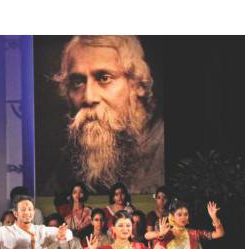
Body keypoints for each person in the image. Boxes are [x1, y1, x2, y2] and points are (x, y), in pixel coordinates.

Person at [53, 35, 164, 193]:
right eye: (78, 82)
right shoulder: (69, 163)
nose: (89, 97)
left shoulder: (163, 150)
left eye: (104, 78)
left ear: (138, 84)